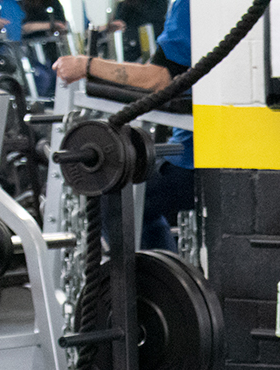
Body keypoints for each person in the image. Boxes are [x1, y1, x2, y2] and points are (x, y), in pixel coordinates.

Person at [52, 0, 191, 251]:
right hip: (252, 156)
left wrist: (86, 66)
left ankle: (162, 289)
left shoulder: (190, 5)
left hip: (198, 160)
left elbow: (158, 78)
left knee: (115, 203)